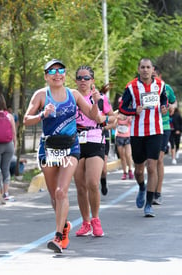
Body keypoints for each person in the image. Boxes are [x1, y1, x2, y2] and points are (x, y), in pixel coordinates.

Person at [23, 59, 100, 253]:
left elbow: (92, 115)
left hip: (70, 147)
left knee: (61, 191)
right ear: (46, 76)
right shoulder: (41, 95)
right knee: (53, 197)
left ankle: (58, 237)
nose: (57, 74)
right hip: (49, 148)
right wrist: (42, 114)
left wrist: (96, 102)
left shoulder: (73, 95)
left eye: (61, 70)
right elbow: (26, 120)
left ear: (65, 75)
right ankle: (64, 225)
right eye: (52, 71)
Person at [118, 58, 168, 217]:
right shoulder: (131, 87)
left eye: (148, 67)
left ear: (153, 69)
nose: (146, 70)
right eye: (143, 67)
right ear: (139, 69)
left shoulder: (160, 85)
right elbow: (122, 107)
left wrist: (164, 107)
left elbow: (164, 99)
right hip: (137, 132)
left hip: (156, 131)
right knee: (139, 170)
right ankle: (141, 187)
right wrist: (134, 111)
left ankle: (149, 204)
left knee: (152, 166)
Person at [73, 66, 115, 237]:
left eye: (86, 78)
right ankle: (85, 222)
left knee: (92, 182)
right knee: (80, 186)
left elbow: (113, 119)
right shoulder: (71, 97)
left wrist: (103, 120)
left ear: (92, 81)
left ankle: (95, 219)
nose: (83, 81)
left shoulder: (100, 98)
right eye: (80, 78)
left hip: (96, 141)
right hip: (75, 142)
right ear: (76, 80)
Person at [152, 66, 177, 205]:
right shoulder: (142, 88)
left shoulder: (166, 88)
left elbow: (174, 101)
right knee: (149, 161)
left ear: (160, 75)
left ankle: (157, 192)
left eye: (155, 75)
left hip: (164, 126)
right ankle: (148, 188)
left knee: (159, 159)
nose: (153, 77)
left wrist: (172, 106)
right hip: (148, 127)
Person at [115, 109, 134, 180]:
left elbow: (132, 123)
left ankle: (130, 170)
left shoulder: (129, 114)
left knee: (128, 155)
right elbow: (114, 126)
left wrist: (129, 120)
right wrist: (117, 119)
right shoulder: (118, 114)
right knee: (122, 156)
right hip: (119, 136)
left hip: (127, 137)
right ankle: (124, 172)